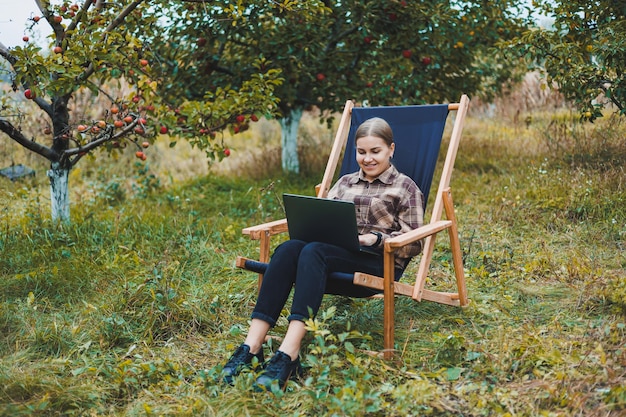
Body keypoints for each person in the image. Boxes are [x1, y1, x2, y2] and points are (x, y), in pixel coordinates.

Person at [219, 117, 425, 391]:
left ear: (391, 149)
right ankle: (251, 346)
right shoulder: (344, 183)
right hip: (331, 256)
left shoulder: (405, 187)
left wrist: (373, 238)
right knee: (289, 248)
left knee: (314, 252)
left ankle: (288, 353)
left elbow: (415, 242)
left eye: (375, 151)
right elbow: (325, 218)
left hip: (376, 263)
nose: (368, 158)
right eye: (361, 152)